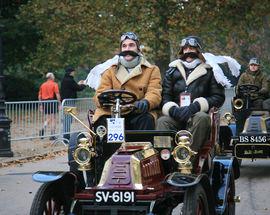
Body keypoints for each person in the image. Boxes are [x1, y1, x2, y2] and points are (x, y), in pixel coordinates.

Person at [157, 36, 225, 154]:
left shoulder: (211, 71)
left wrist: (197, 106)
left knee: (202, 118)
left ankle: (187, 157)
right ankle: (165, 159)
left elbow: (218, 97)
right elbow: (165, 96)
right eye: (185, 49)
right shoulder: (172, 71)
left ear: (198, 51)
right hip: (177, 115)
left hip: (197, 115)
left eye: (192, 48)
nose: (188, 52)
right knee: (162, 121)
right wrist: (172, 109)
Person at [93, 32, 162, 132]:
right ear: (121, 49)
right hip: (113, 112)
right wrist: (102, 99)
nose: (127, 49)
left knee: (146, 120)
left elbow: (155, 92)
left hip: (138, 112)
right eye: (124, 46)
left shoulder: (151, 70)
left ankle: (143, 147)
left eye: (131, 45)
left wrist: (146, 102)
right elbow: (99, 93)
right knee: (102, 124)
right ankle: (105, 147)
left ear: (138, 49)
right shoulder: (110, 71)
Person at [60, 66, 86, 140]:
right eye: (73, 72)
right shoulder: (70, 80)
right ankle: (66, 136)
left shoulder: (65, 79)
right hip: (69, 102)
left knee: (68, 119)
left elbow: (73, 87)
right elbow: (78, 88)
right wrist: (84, 84)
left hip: (66, 101)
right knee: (68, 119)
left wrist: (79, 84)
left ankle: (66, 135)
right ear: (71, 72)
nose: (74, 73)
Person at [38, 72, 61, 140]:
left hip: (44, 102)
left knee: (49, 118)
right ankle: (52, 135)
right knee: (53, 118)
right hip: (51, 101)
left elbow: (39, 96)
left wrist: (40, 104)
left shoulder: (43, 85)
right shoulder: (54, 84)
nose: (54, 77)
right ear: (51, 77)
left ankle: (43, 128)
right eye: (53, 76)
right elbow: (57, 94)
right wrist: (59, 103)